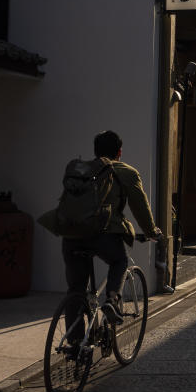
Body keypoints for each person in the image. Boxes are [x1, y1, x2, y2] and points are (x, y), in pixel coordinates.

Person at [62, 130, 170, 325]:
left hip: (71, 235)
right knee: (119, 261)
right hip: (103, 234)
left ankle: (75, 345)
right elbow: (140, 208)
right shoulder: (125, 171)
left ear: (95, 152)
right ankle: (112, 301)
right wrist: (151, 231)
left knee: (76, 290)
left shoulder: (81, 172)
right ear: (119, 152)